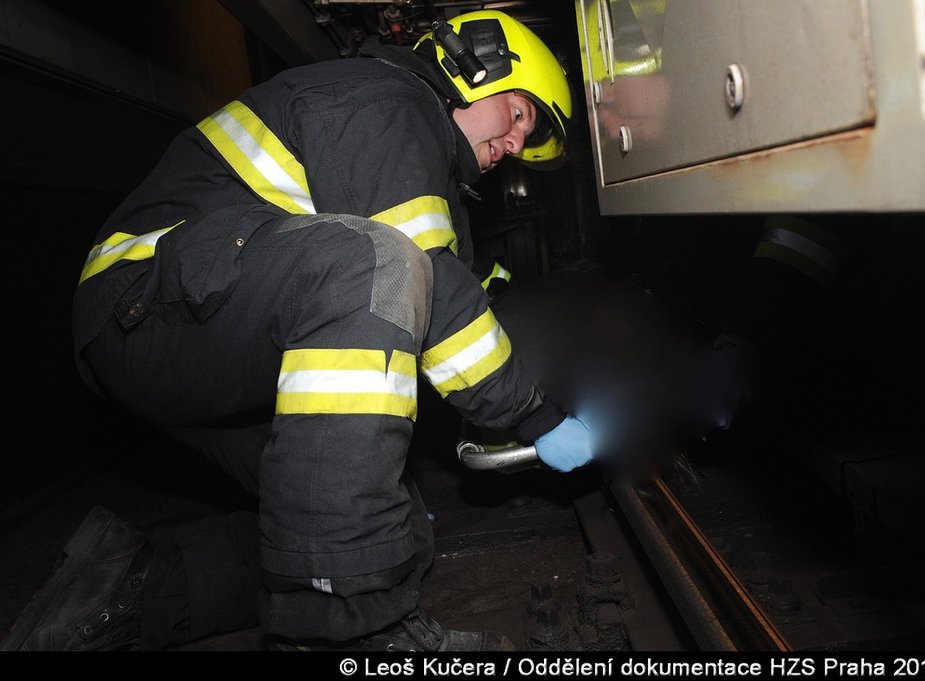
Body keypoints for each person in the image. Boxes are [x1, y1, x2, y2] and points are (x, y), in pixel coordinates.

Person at [0, 10, 595, 652]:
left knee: (391, 533)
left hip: (198, 324)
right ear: (479, 64)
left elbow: (457, 298)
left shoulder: (417, 158)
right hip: (149, 298)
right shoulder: (387, 98)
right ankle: (343, 638)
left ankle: (127, 584)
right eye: (518, 117)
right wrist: (531, 412)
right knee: (379, 262)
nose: (513, 149)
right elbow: (421, 276)